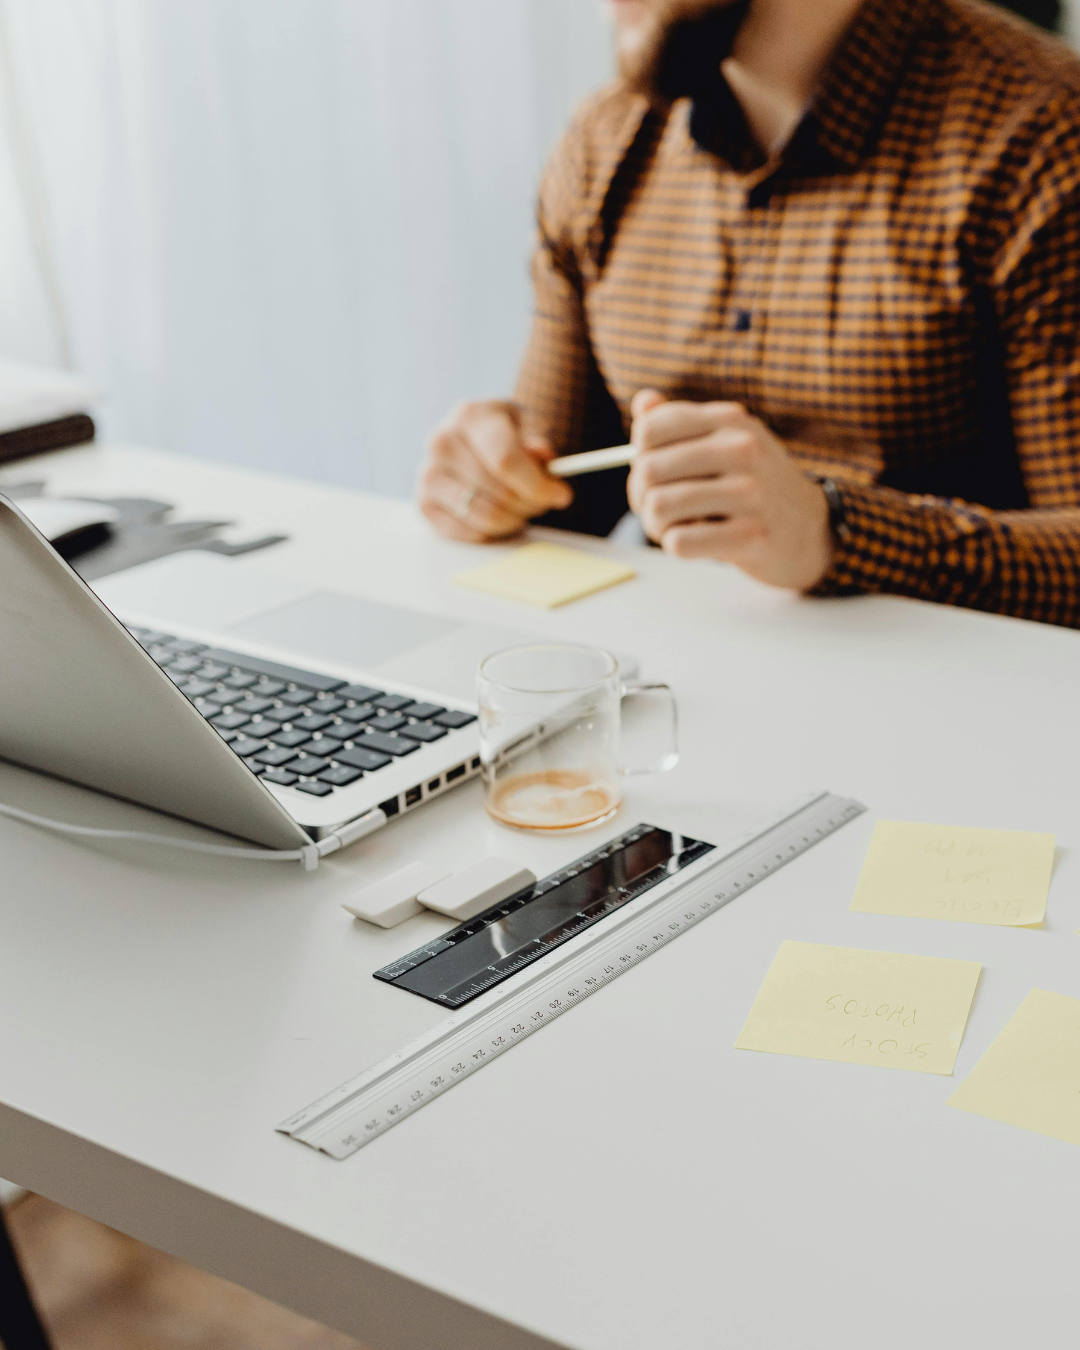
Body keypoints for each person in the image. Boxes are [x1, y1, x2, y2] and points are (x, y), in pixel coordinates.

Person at [418, 0, 1080, 627]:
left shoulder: (1044, 140)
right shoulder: (604, 143)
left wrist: (831, 533)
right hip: (671, 685)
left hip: (963, 705)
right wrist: (487, 482)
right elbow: (560, 497)